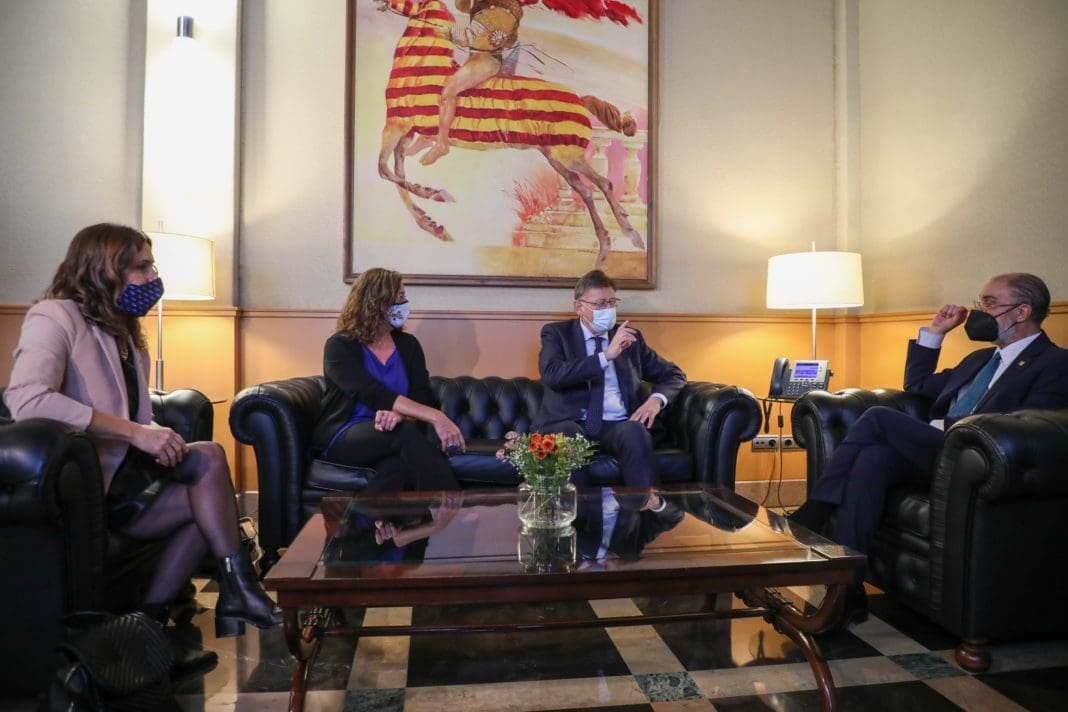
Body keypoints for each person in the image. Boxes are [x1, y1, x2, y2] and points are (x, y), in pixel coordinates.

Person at [4, 224, 281, 679]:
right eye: (142, 267)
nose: (153, 277)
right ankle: (236, 592)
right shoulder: (55, 316)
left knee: (207, 474)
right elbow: (28, 400)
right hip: (84, 487)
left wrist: (157, 433)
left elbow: (133, 413)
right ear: (104, 269)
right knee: (209, 465)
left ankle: (147, 631)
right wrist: (137, 433)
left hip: (126, 476)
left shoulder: (125, 332)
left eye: (152, 265)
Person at [789, 272, 1068, 626]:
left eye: (989, 303)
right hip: (939, 452)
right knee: (873, 459)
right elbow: (918, 386)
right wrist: (936, 333)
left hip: (977, 457)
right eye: (980, 301)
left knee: (877, 417)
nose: (979, 311)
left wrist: (949, 428)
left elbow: (1029, 425)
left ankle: (814, 511)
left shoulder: (1055, 363)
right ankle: (847, 589)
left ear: (1022, 311)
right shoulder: (981, 359)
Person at [533, 269, 687, 510]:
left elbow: (673, 375)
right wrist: (606, 356)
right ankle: (577, 519)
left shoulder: (631, 339)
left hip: (617, 425)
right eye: (600, 303)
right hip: (572, 423)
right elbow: (553, 375)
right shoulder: (557, 334)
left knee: (634, 431)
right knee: (567, 436)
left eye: (611, 302)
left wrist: (655, 400)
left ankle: (646, 514)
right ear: (579, 307)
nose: (608, 309)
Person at [311, 268, 464, 491]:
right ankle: (454, 506)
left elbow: (422, 396)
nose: (405, 304)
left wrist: (399, 415)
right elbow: (372, 393)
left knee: (395, 468)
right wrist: (437, 417)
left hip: (392, 433)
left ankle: (363, 514)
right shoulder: (339, 346)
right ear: (376, 302)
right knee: (403, 434)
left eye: (404, 297)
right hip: (345, 432)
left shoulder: (409, 345)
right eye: (399, 297)